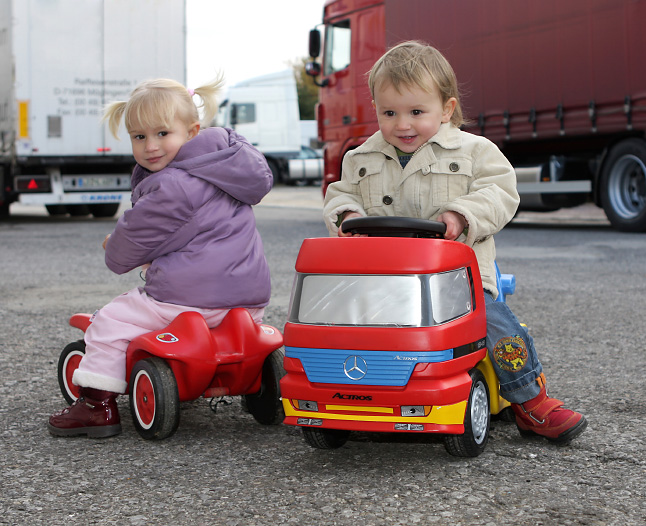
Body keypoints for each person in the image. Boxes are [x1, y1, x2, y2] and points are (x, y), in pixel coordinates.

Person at [323, 41, 587, 444]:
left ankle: (530, 399)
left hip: (459, 281)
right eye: (389, 112)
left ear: (445, 109)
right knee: (329, 321)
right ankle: (335, 394)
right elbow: (339, 195)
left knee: (495, 325)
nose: (402, 124)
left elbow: (501, 192)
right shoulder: (360, 157)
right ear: (375, 108)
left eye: (416, 112)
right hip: (382, 280)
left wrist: (461, 215)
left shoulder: (475, 151)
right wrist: (348, 216)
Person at [48, 75, 274, 438]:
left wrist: (113, 244)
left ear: (192, 131)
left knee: (112, 321)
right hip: (248, 301)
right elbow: (193, 232)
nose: (151, 146)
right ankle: (261, 386)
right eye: (139, 137)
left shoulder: (172, 184)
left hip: (190, 298)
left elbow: (127, 250)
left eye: (162, 134)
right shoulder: (228, 168)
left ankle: (93, 406)